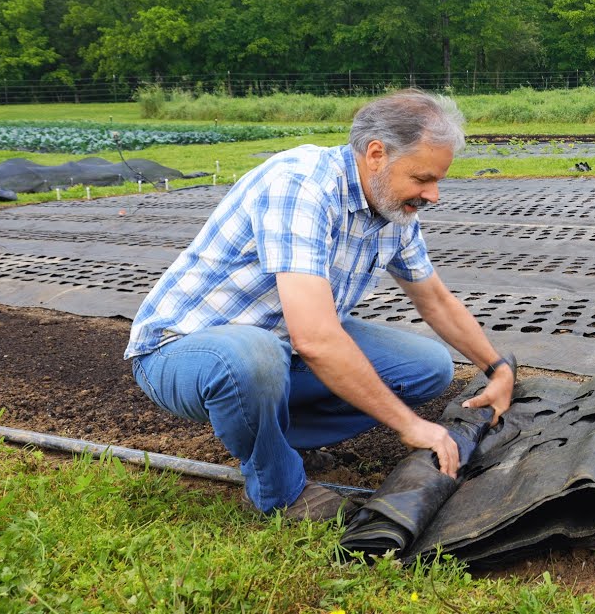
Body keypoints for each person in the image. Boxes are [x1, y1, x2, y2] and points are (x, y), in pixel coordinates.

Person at [125, 90, 516, 520]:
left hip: (282, 345)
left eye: (437, 180)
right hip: (182, 351)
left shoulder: (393, 209)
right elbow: (314, 338)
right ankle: (280, 491)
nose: (433, 194)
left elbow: (435, 300)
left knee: (428, 367)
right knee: (254, 357)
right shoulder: (301, 185)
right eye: (423, 178)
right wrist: (410, 425)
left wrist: (497, 368)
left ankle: (277, 441)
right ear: (376, 154)